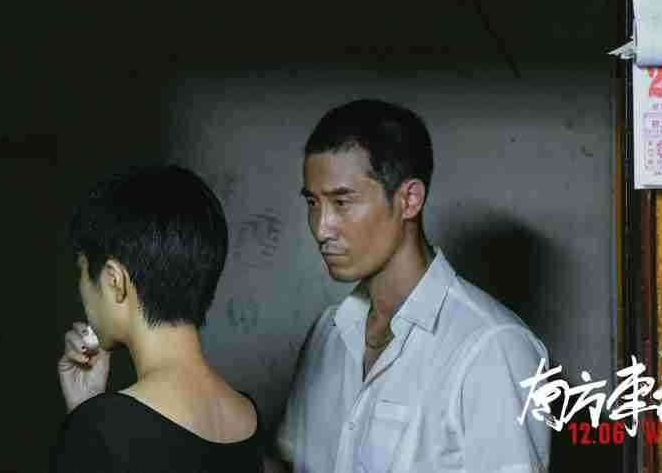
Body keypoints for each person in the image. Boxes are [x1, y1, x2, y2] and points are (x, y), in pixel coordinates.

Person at [276, 99, 551, 472]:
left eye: (341, 202)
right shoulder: (327, 334)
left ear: (409, 200)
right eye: (313, 203)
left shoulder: (493, 347)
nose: (322, 228)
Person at [51, 165, 264, 472]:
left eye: (82, 271)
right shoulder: (248, 416)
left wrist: (86, 420)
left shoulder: (100, 429)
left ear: (114, 280)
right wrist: (89, 409)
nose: (80, 289)